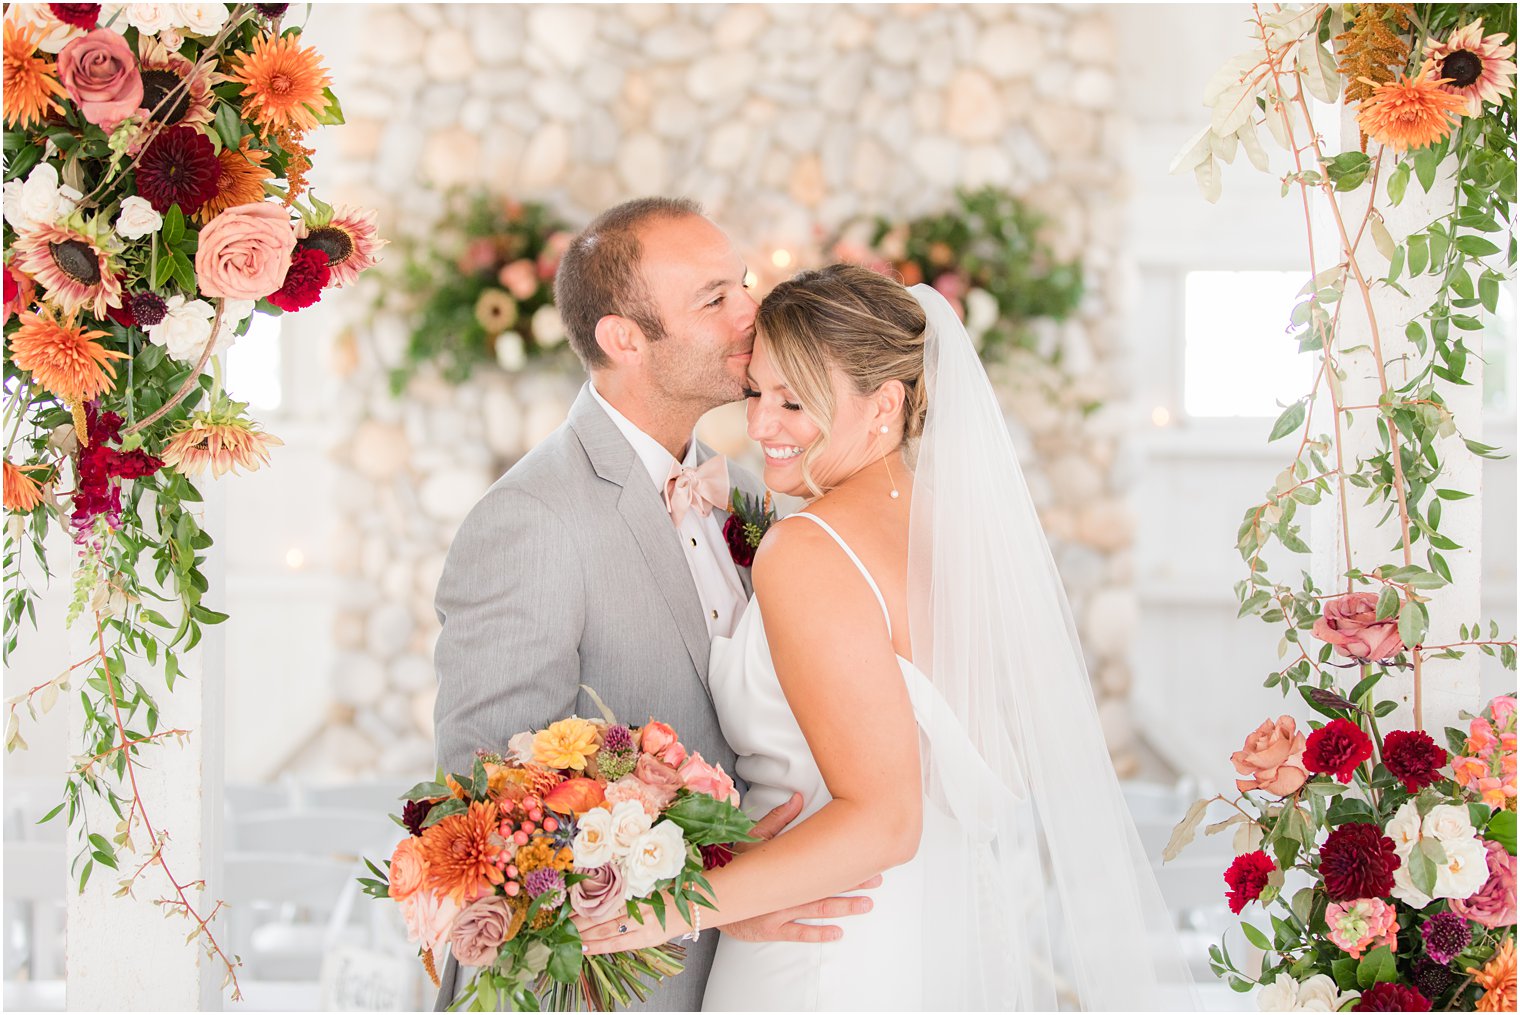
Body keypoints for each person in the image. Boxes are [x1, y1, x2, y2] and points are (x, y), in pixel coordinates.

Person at [576, 265, 1197, 1011]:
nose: (761, 426)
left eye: (794, 400)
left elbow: (884, 817)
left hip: (820, 950)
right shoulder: (956, 527)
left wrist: (662, 908)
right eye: (757, 393)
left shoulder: (808, 547)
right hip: (932, 931)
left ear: (886, 403)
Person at [431, 200, 877, 1011]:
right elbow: (489, 821)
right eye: (716, 299)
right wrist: (714, 904)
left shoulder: (743, 494)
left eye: (742, 284)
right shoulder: (530, 520)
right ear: (623, 339)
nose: (754, 312)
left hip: (742, 979)